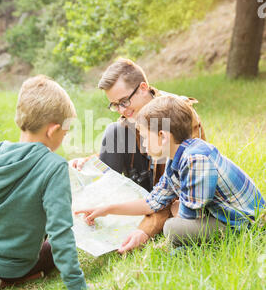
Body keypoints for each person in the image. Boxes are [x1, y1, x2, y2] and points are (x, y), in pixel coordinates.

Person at [75, 95, 265, 246]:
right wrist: (107, 209)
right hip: (223, 213)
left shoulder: (195, 160)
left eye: (144, 137)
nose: (143, 145)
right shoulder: (177, 159)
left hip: (244, 221)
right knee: (174, 216)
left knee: (172, 229)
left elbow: (189, 217)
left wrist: (176, 208)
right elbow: (153, 202)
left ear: (162, 136)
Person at [0, 75, 87, 290]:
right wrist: (77, 287)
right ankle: (6, 280)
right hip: (13, 266)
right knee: (52, 249)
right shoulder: (54, 166)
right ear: (53, 130)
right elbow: (59, 231)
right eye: (65, 132)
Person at [73, 58, 206, 252]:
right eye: (114, 105)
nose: (122, 110)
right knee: (115, 131)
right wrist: (88, 163)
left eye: (124, 101)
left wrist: (145, 231)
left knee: (174, 214)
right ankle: (92, 214)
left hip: (171, 194)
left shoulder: (178, 114)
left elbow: (179, 191)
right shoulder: (130, 118)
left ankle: (130, 221)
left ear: (143, 88)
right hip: (146, 189)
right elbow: (118, 145)